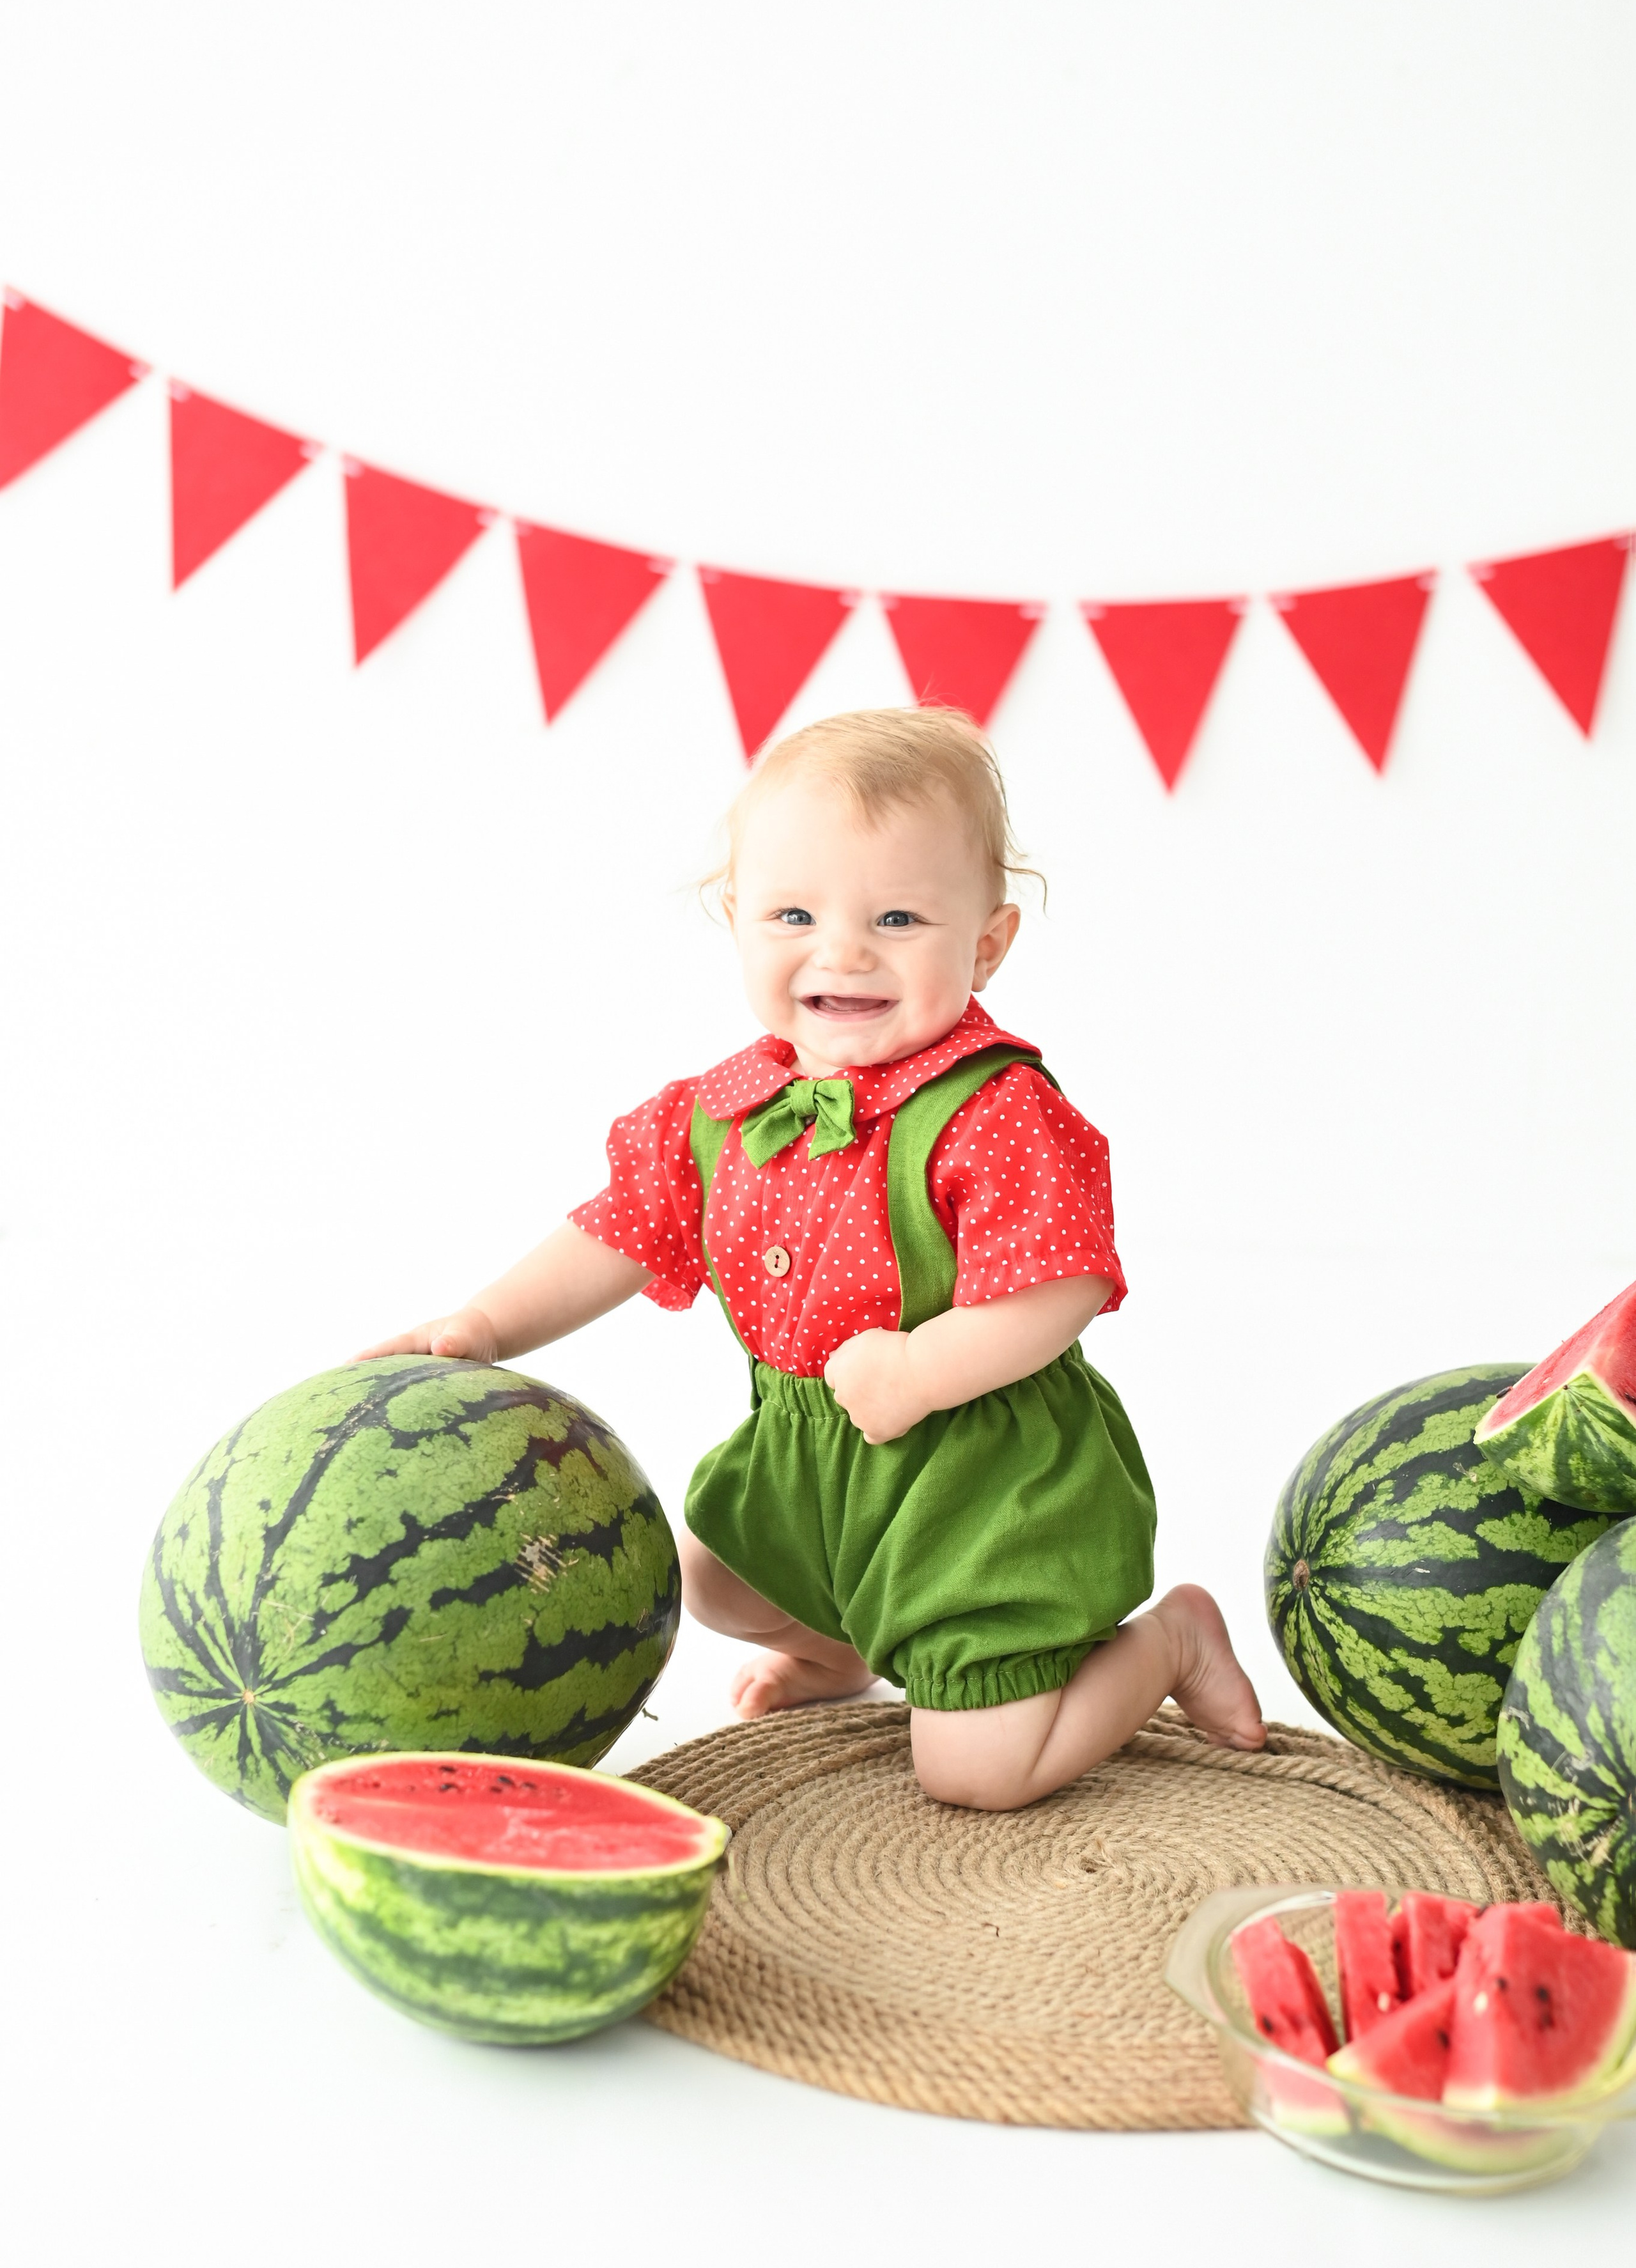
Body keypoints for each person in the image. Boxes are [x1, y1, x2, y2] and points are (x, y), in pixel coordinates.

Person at [359, 705, 1265, 1808]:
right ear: (736, 919)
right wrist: (488, 1327)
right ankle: (843, 1652)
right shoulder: (721, 1112)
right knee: (708, 1578)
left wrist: (923, 1370)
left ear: (985, 941)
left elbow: (1060, 1288)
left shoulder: (994, 1111)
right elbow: (616, 1232)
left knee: (977, 1775)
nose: (842, 951)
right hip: (808, 1469)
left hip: (977, 1488)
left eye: (897, 917)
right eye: (794, 913)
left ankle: (1168, 1642)